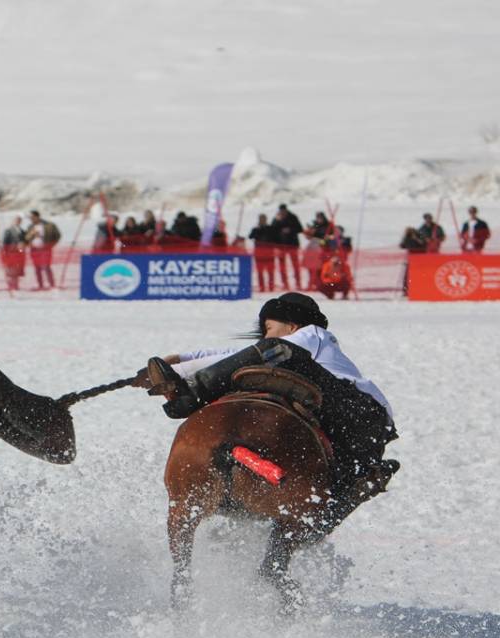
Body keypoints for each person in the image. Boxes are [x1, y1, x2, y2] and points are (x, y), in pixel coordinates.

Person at [142, 292, 399, 526]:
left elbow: (259, 351)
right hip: (354, 427)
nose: (265, 336)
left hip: (360, 408)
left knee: (271, 352)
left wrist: (180, 372)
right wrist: (180, 360)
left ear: (293, 325)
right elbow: (237, 353)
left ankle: (188, 396)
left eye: (269, 328)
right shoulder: (289, 345)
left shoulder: (314, 335)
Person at [24, 210, 61, 289]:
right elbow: (26, 238)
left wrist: (51, 244)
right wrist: (31, 234)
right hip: (34, 250)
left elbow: (57, 235)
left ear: (37, 216)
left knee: (46, 267)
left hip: (45, 249)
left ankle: (52, 284)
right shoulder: (30, 227)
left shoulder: (49, 225)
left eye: (33, 217)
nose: (31, 219)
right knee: (37, 268)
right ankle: (40, 285)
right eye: (30, 218)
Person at [273, 204, 303, 290]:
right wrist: (277, 221)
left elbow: (300, 229)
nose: (282, 212)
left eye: (283, 211)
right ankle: (285, 284)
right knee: (282, 266)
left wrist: (290, 229)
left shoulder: (293, 217)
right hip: (281, 246)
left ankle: (298, 283)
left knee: (295, 265)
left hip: (292, 245)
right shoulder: (277, 218)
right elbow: (272, 230)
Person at [248, 214, 277, 292]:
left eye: (263, 219)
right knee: (260, 271)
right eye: (261, 219)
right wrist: (257, 230)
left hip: (269, 253)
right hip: (259, 253)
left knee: (270, 271)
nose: (262, 220)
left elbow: (275, 238)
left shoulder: (270, 228)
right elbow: (250, 236)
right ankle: (262, 287)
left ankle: (271, 287)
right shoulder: (256, 228)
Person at [0, 215, 26, 292]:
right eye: (17, 220)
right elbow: (5, 242)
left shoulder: (22, 231)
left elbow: (24, 241)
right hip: (10, 253)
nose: (18, 222)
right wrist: (7, 250)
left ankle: (16, 285)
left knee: (17, 269)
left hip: (19, 254)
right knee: (10, 269)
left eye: (19, 221)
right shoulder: (8, 231)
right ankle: (11, 285)